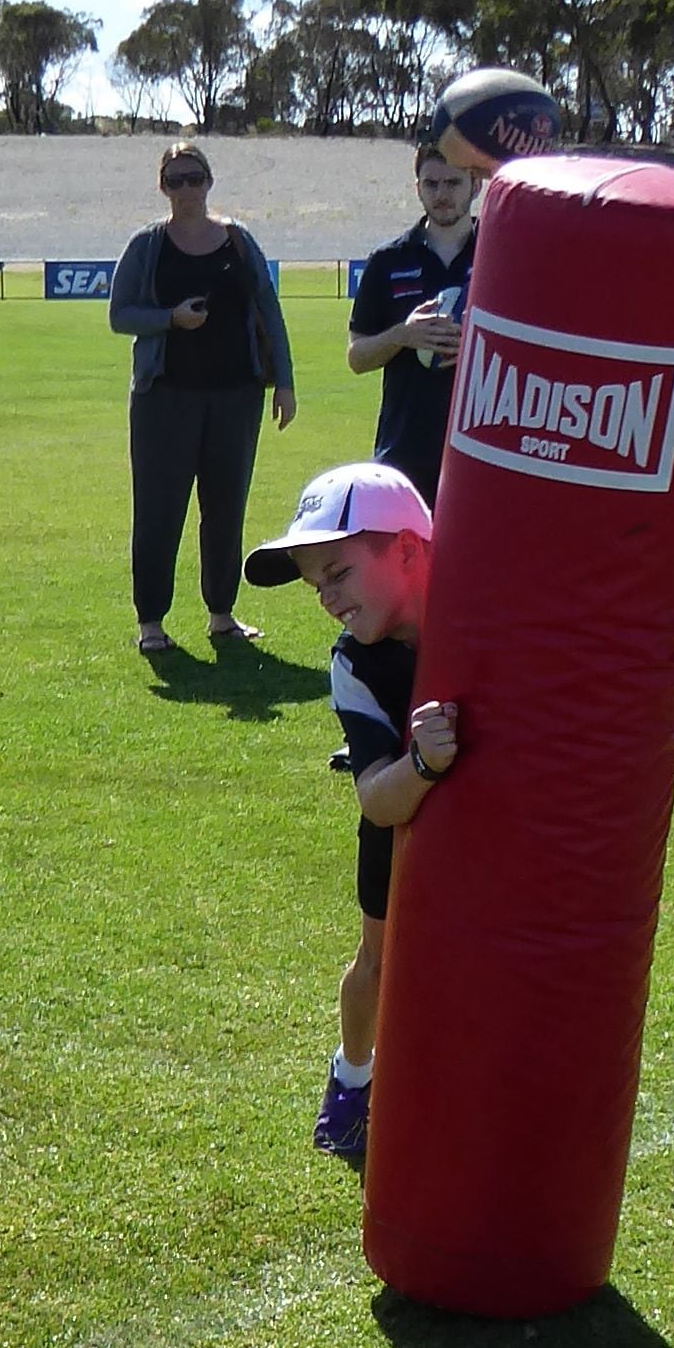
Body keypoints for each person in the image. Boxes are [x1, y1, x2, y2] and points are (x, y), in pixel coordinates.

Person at [239, 462, 454, 1167]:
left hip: (493, 830)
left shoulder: (481, 607)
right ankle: (353, 1075)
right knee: (379, 960)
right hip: (401, 817)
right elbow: (375, 797)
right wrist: (423, 763)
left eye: (339, 572)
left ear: (408, 548)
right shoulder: (354, 663)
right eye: (317, 585)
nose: (328, 598)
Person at [109, 140, 296, 657]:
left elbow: (268, 309)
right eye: (176, 180)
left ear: (209, 182)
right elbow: (120, 315)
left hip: (235, 397)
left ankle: (222, 615)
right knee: (159, 511)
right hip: (163, 399)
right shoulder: (148, 245)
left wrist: (284, 380)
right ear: (162, 187)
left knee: (226, 508)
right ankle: (151, 623)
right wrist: (170, 318)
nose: (186, 189)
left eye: (194, 178)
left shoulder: (238, 240)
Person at [344, 140, 478, 499]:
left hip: (480, 449)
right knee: (408, 555)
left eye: (453, 183)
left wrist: (479, 344)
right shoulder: (388, 261)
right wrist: (403, 336)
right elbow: (357, 358)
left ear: (475, 185)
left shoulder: (501, 257)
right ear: (417, 187)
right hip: (405, 450)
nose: (442, 194)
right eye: (431, 184)